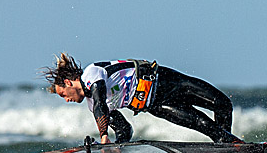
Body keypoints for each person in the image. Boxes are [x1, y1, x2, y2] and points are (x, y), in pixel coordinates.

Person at [42, 53, 241, 144]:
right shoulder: (92, 105)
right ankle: (231, 152)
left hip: (166, 81)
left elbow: (100, 100)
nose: (66, 100)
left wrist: (103, 136)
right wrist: (117, 147)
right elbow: (124, 129)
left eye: (63, 95)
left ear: (69, 82)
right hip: (158, 104)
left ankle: (230, 149)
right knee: (204, 125)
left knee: (223, 104)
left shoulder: (92, 73)